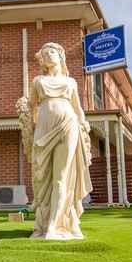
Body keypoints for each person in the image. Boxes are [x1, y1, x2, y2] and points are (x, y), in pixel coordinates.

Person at [22, 42, 92, 240]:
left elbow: (77, 108)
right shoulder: (37, 81)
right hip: (44, 129)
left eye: (51, 51)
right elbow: (32, 107)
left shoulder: (71, 82)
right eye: (44, 53)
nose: (48, 55)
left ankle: (54, 226)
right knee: (41, 177)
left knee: (61, 178)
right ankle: (42, 224)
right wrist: (27, 120)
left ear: (60, 55)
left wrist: (84, 123)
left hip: (68, 126)